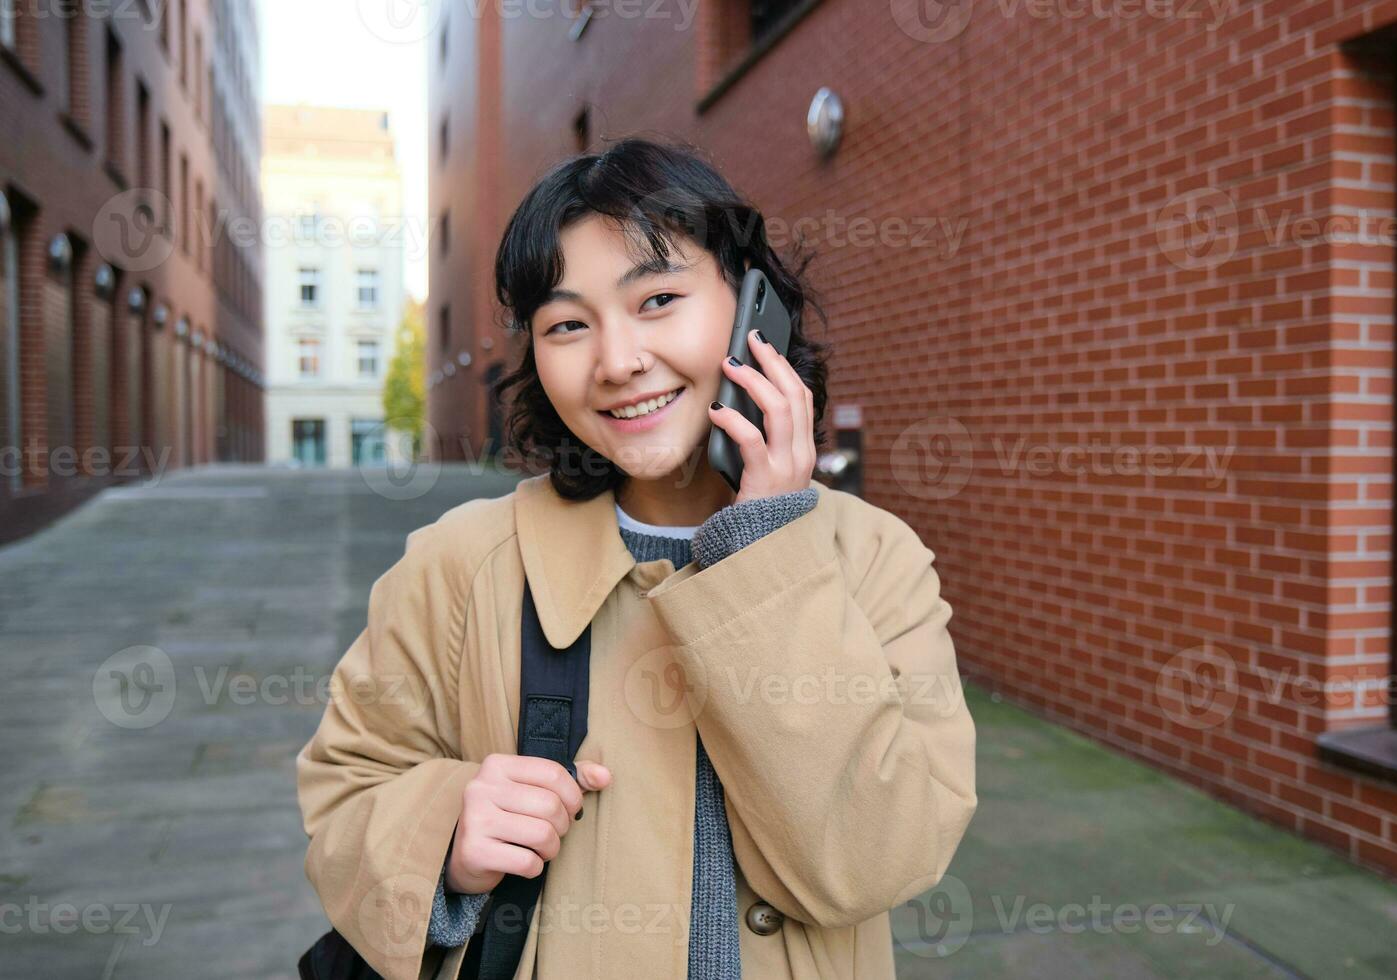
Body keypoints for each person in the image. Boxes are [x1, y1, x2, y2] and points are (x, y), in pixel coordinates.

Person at [295, 136, 977, 980]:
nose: (617, 362)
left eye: (657, 300)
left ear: (750, 304)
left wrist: (765, 555)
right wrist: (442, 838)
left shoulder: (876, 560)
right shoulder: (457, 566)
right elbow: (345, 792)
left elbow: (882, 857)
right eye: (569, 324)